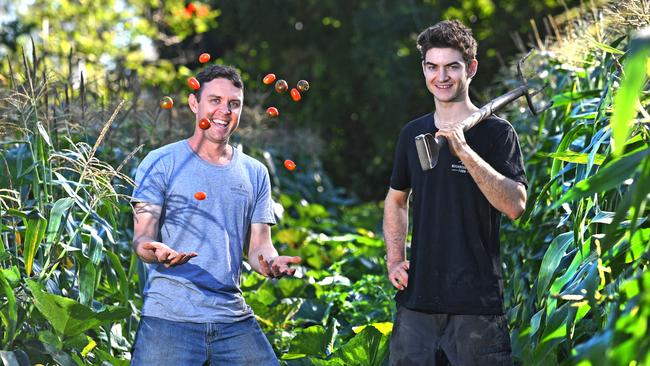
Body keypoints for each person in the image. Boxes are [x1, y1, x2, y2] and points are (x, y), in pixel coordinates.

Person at [130, 64, 301, 365]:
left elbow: (260, 246)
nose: (225, 111)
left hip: (231, 317)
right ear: (195, 104)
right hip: (170, 317)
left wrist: (272, 263)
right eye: (215, 101)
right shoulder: (160, 163)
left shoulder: (255, 172)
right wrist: (155, 252)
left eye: (233, 104)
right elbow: (143, 236)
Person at [383, 20, 528, 365]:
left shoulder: (497, 133)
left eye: (452, 66)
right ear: (424, 69)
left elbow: (515, 205)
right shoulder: (413, 134)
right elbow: (396, 199)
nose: (441, 76)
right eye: (432, 67)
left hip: (475, 310)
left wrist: (465, 151)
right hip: (417, 306)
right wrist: (394, 259)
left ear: (471, 68)